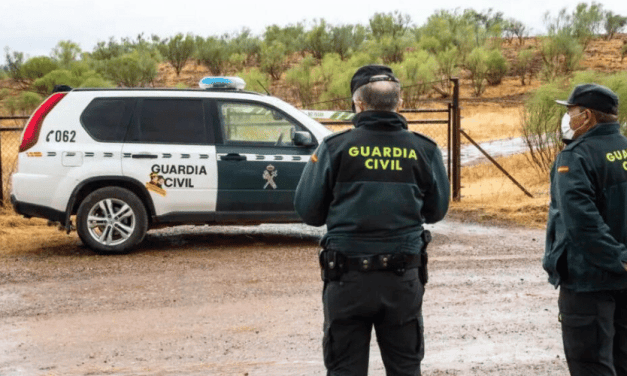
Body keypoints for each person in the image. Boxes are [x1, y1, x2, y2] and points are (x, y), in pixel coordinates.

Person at [294, 64, 449, 376]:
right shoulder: (424, 149)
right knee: (405, 367)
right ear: (399, 105)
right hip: (402, 279)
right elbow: (436, 212)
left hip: (347, 279)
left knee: (345, 369)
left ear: (358, 104)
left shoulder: (335, 148)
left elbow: (308, 211)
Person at [544, 83, 627, 376]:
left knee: (591, 365)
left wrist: (618, 259)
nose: (568, 119)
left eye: (571, 112)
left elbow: (582, 223)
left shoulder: (576, 157)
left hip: (589, 282)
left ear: (587, 116)